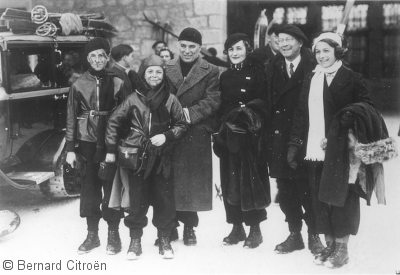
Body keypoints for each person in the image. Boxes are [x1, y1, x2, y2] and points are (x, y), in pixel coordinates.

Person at [289, 32, 380, 268]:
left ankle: (342, 247)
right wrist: (295, 144)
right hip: (314, 148)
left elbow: (367, 108)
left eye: (326, 51)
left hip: (342, 150)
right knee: (321, 197)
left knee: (342, 197)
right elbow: (301, 113)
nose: (321, 56)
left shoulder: (351, 78)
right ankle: (329, 244)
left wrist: (342, 126)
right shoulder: (312, 77)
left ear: (337, 52)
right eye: (317, 52)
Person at [105, 55, 187, 260]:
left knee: (164, 199)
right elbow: (114, 121)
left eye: (158, 71)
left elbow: (181, 125)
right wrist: (112, 146)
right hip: (138, 158)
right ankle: (135, 241)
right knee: (137, 199)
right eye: (150, 71)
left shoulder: (170, 99)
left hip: (162, 157)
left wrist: (166, 136)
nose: (154, 75)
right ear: (143, 74)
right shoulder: (133, 98)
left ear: (163, 74)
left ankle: (165, 240)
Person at [265, 24, 324, 255]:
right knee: (286, 188)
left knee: (308, 187)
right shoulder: (272, 66)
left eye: (290, 39)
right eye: (280, 40)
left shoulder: (315, 64)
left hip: (307, 138)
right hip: (279, 138)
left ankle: (314, 235)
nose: (284, 44)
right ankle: (294, 234)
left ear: (300, 43)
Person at [65, 37, 126, 255]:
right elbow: (71, 117)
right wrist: (70, 149)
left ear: (108, 57)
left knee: (111, 189)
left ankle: (113, 233)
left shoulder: (118, 82)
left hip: (111, 143)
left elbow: (127, 115)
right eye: (93, 56)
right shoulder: (79, 84)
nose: (98, 60)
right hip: (87, 143)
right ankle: (92, 235)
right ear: (87, 58)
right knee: (90, 189)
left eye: (102, 55)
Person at [213, 33, 270, 248]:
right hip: (229, 135)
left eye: (238, 48)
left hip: (250, 136)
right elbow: (221, 105)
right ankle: (236, 227)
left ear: (246, 49)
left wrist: (248, 113)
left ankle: (255, 229)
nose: (235, 53)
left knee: (251, 181)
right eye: (231, 50)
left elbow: (265, 102)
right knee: (230, 180)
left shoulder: (258, 72)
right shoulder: (225, 76)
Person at [165, 27, 220, 246]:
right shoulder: (166, 67)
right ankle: (170, 225)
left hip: (195, 130)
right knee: (168, 179)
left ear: (199, 48)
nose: (187, 51)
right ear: (178, 46)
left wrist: (188, 114)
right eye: (184, 46)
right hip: (170, 130)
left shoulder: (211, 70)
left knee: (191, 182)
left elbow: (213, 99)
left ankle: (189, 227)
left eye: (192, 47)